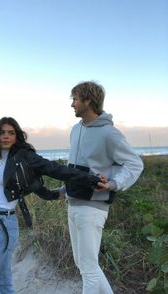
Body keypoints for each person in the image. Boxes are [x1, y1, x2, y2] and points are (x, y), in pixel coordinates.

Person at [0, 116, 103, 294]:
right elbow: (31, 183)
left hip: (2, 226)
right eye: (2, 133)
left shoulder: (24, 156)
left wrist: (91, 180)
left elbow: (55, 169)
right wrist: (52, 195)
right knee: (2, 285)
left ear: (17, 136)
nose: (6, 136)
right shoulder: (3, 159)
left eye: (11, 133)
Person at [62, 81, 144, 294]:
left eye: (75, 99)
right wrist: (63, 189)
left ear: (88, 100)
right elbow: (74, 167)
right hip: (72, 204)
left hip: (92, 209)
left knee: (88, 269)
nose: (72, 104)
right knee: (83, 265)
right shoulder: (75, 130)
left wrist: (114, 183)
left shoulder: (109, 133)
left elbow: (135, 163)